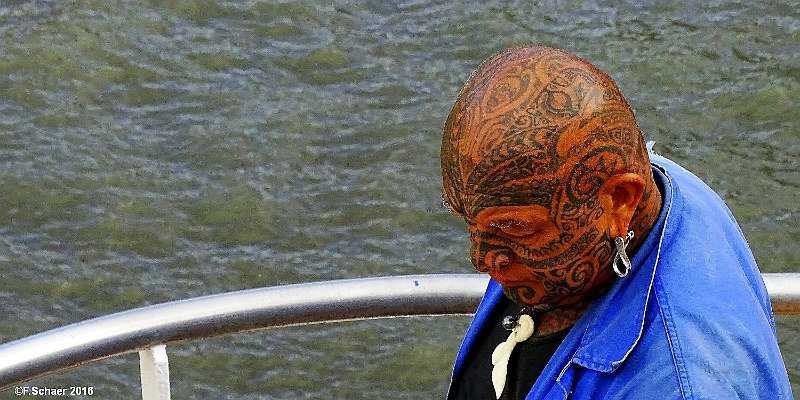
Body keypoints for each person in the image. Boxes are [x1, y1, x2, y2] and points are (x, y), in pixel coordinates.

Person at [440, 46, 793, 399]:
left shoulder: (674, 384)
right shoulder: (658, 180)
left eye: (516, 229)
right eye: (468, 221)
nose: (482, 258)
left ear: (622, 200)